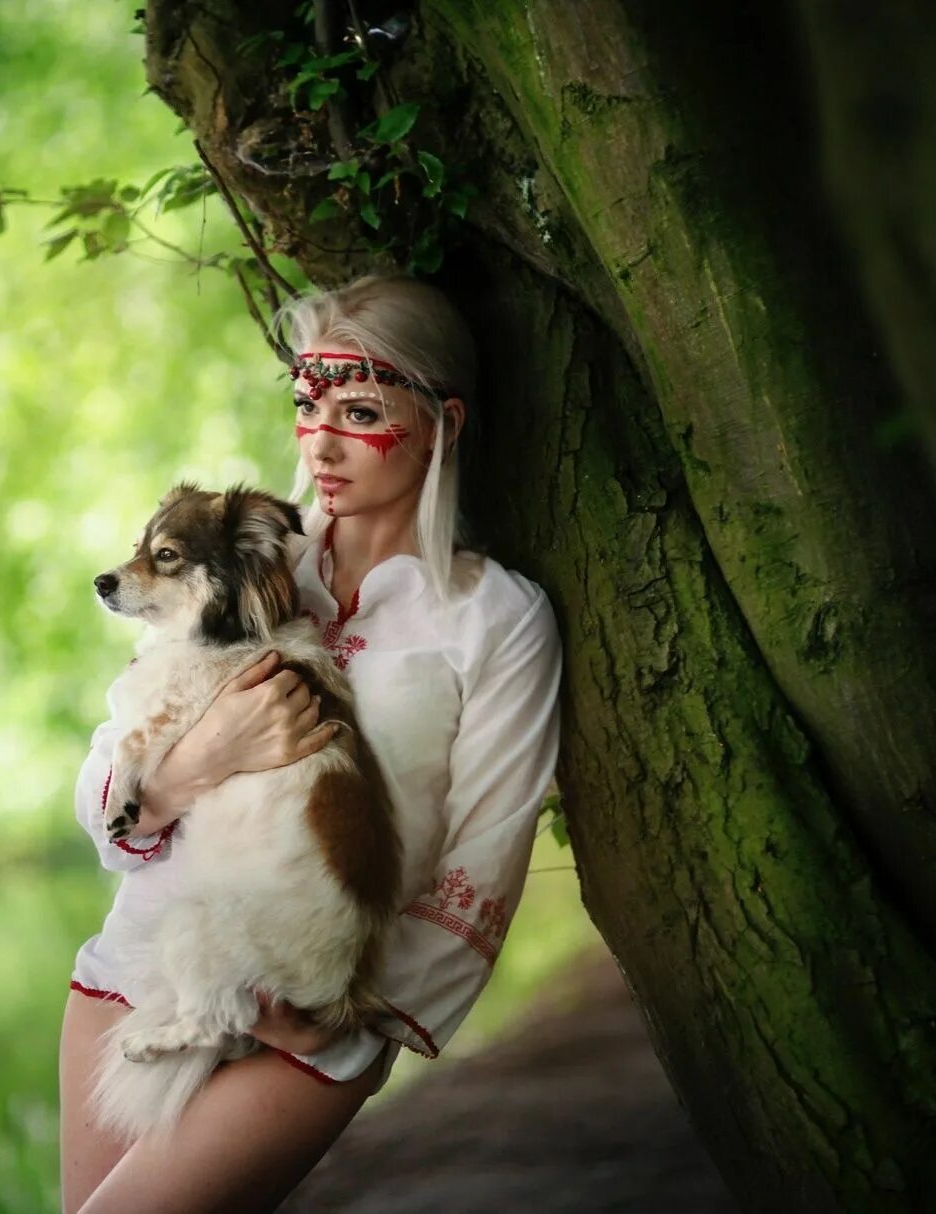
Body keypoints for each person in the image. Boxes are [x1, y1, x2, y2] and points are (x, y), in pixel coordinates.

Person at [58, 275, 565, 1213]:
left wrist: (338, 1017)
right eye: (306, 404)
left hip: (300, 1023)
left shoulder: (494, 620)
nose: (321, 443)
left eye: (361, 410)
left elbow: (482, 866)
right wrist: (189, 771)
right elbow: (115, 772)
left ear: (441, 423)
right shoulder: (243, 557)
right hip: (134, 971)